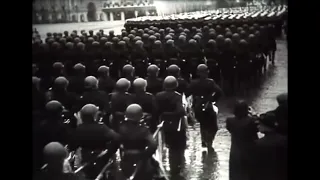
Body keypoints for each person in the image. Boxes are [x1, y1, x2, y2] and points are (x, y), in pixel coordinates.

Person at [69, 104, 120, 179]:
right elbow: (117, 138)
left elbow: (72, 146)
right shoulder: (102, 128)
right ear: (95, 116)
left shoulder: (79, 129)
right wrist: (110, 152)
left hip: (85, 156)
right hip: (101, 157)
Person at [186, 64, 223, 150]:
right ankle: (209, 141)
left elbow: (187, 93)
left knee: (203, 124)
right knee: (214, 126)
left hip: (197, 107)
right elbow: (219, 92)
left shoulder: (193, 82)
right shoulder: (210, 82)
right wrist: (213, 99)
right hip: (208, 105)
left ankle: (204, 141)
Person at [117, 104, 158, 180]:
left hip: (126, 159)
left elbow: (116, 142)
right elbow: (153, 144)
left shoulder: (121, 128)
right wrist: (145, 155)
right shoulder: (143, 129)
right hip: (142, 160)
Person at [33, 101, 71, 173]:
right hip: (58, 161)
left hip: (40, 161)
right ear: (60, 113)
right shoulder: (63, 128)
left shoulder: (38, 127)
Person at [226, 100, 259, 180]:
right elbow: (258, 127)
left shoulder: (229, 121)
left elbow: (230, 129)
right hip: (250, 150)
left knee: (235, 173)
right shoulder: (251, 121)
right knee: (249, 173)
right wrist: (254, 114)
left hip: (235, 151)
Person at [252, 112, 288, 180]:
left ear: (265, 126)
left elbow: (255, 166)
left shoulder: (258, 144)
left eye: (260, 124)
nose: (258, 126)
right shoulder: (284, 140)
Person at [155, 76, 187, 150]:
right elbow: (181, 111)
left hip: (163, 123)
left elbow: (156, 110)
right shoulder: (177, 96)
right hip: (176, 124)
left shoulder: (158, 95)